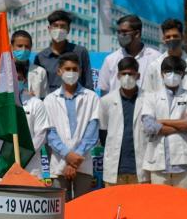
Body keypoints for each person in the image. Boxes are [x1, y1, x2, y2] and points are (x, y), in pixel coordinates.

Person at [44, 53, 99, 200]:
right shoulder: (50, 100)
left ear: (80, 71)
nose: (71, 72)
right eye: (67, 69)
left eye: (74, 69)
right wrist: (68, 155)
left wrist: (74, 161)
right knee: (60, 210)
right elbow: (50, 133)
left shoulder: (91, 97)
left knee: (84, 208)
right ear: (59, 71)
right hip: (59, 164)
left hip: (83, 162)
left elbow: (92, 132)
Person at [140, 56, 187, 188]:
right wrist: (183, 124)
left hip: (184, 161)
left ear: (183, 75)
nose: (172, 75)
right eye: (168, 71)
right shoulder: (151, 97)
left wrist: (161, 122)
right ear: (162, 74)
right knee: (160, 205)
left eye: (177, 72)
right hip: (158, 163)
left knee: (184, 205)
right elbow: (149, 126)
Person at [99, 57, 146, 185]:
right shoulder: (106, 101)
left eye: (131, 74)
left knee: (140, 205)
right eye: (124, 73)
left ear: (138, 75)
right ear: (118, 75)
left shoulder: (148, 99)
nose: (127, 77)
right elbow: (103, 133)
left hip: (140, 169)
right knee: (114, 205)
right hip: (115, 169)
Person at [141, 19, 187, 95]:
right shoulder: (154, 66)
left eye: (175, 36)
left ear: (182, 37)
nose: (172, 39)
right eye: (168, 37)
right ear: (163, 39)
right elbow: (147, 95)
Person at [98, 15, 160, 94]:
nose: (120, 36)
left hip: (147, 105)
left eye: (124, 32)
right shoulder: (110, 60)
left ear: (137, 33)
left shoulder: (156, 58)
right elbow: (104, 91)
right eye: (118, 32)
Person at [34, 11, 92, 92]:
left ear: (68, 29)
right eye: (55, 26)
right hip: (49, 103)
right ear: (49, 29)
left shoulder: (80, 52)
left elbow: (88, 83)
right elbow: (37, 87)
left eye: (63, 26)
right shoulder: (40, 57)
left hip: (78, 102)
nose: (59, 29)